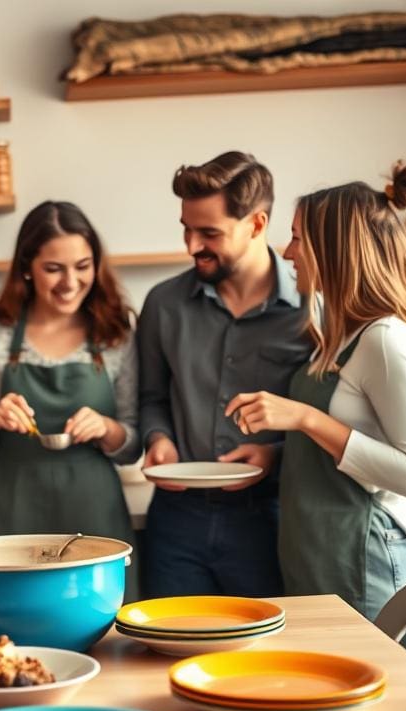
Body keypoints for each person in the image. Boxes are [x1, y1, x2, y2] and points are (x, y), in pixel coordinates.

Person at [225, 161, 406, 624]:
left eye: (298, 238)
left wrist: (304, 418)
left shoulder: (388, 340)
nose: (287, 253)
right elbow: (353, 438)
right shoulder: (341, 336)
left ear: (334, 249)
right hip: (318, 553)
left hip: (362, 556)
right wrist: (278, 457)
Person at [0, 201, 140, 593]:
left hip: (96, 517)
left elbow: (133, 445)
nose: (70, 282)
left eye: (83, 266)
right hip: (11, 519)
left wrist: (106, 428)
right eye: (54, 269)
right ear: (27, 267)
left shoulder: (115, 333)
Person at [138, 151, 313, 599]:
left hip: (272, 518)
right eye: (186, 228)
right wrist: (158, 439)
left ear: (256, 224)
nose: (192, 245)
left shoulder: (313, 312)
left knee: (269, 661)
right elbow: (151, 396)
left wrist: (275, 453)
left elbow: (330, 416)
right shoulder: (163, 304)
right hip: (176, 521)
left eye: (209, 233)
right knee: (167, 655)